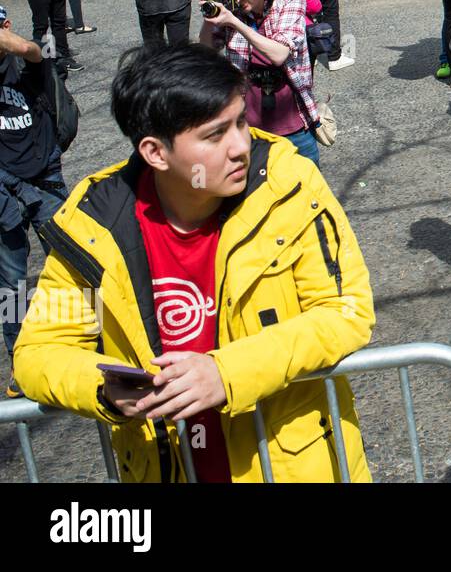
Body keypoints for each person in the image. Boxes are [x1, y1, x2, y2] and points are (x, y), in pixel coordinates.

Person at [12, 43, 374, 482]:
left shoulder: (288, 184)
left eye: (241, 121)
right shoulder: (93, 225)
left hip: (291, 464)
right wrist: (104, 390)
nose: (241, 145)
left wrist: (229, 372)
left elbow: (347, 312)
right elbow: (38, 353)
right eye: (214, 135)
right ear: (155, 152)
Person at [0, 2, 65, 397]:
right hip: (3, 191)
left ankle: (90, 344)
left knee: (75, 264)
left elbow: (39, 56)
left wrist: (14, 44)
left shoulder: (26, 62)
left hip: (45, 179)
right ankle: (21, 362)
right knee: (11, 287)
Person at [200, 0, 322, 167]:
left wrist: (234, 23)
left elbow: (279, 54)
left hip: (292, 118)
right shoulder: (234, 10)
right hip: (249, 121)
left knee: (305, 185)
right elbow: (206, 49)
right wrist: (209, 21)